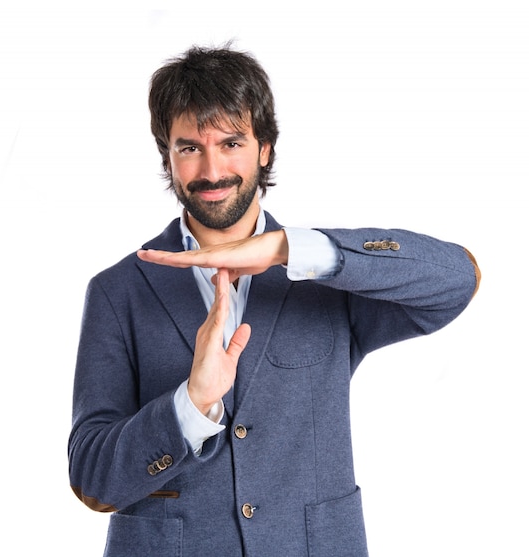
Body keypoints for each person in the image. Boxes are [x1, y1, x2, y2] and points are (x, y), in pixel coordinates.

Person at [68, 44, 481, 557]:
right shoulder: (117, 291)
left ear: (265, 147)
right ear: (168, 158)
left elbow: (455, 279)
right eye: (189, 148)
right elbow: (91, 479)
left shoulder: (327, 279)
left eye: (232, 142)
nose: (212, 169)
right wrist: (189, 406)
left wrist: (292, 249)